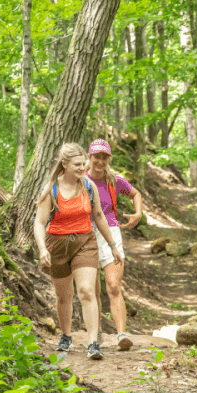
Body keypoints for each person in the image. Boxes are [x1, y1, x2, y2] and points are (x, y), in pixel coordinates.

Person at [32, 142, 125, 360]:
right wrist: (43, 249)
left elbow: (99, 217)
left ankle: (93, 343)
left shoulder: (88, 186)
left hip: (85, 242)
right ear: (64, 164)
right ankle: (66, 336)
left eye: (84, 163)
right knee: (64, 296)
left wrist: (113, 246)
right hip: (57, 244)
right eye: (77, 164)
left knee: (85, 291)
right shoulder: (51, 189)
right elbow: (39, 223)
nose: (82, 168)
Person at [86, 138, 145, 352]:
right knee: (92, 289)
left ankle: (121, 335)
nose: (100, 161)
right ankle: (97, 332)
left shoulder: (114, 180)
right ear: (89, 157)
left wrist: (138, 213)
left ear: (108, 159)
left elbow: (135, 193)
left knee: (113, 285)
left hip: (111, 233)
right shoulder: (80, 179)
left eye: (104, 157)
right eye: (96, 156)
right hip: (86, 234)